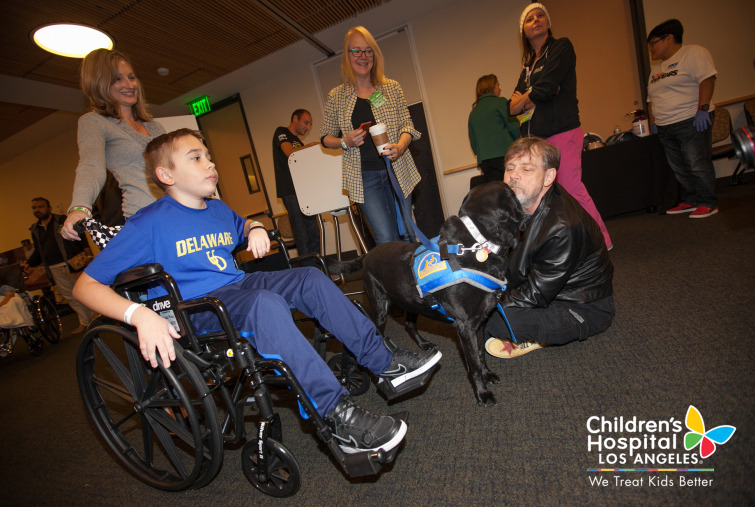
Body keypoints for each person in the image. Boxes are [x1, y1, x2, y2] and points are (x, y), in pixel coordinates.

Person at [72, 129, 442, 455]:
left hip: (238, 285)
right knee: (264, 304)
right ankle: (334, 414)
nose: (210, 163)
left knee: (309, 277)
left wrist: (254, 229)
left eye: (209, 156)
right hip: (199, 309)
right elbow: (85, 285)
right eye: (196, 157)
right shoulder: (147, 224)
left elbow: (243, 223)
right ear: (166, 175)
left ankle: (383, 363)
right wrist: (139, 316)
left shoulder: (216, 209)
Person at [484, 138, 614, 358]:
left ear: (549, 177)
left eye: (526, 169)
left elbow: (535, 295)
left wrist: (485, 302)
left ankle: (534, 338)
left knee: (492, 319)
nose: (514, 175)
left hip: (580, 306)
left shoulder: (563, 227)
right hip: (544, 287)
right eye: (510, 168)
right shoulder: (517, 201)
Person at [508, 3, 612, 249]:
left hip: (562, 131)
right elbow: (510, 108)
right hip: (537, 141)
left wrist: (528, 97)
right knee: (544, 197)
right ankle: (565, 246)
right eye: (530, 18)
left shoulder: (561, 47)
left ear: (548, 22)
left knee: (571, 189)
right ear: (523, 30)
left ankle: (601, 242)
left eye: (540, 15)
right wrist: (529, 98)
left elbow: (545, 90)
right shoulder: (528, 67)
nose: (536, 20)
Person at [320, 26, 420, 245]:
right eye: (356, 51)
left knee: (408, 234)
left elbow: (407, 125)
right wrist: (344, 142)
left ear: (375, 55)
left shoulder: (391, 88)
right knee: (386, 239)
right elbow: (325, 137)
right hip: (365, 178)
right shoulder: (336, 96)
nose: (363, 57)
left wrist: (401, 147)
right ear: (347, 56)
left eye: (368, 51)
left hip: (398, 170)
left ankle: (412, 278)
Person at [60, 48, 166, 241]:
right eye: (118, 79)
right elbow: (91, 166)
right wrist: (80, 207)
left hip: (180, 210)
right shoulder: (94, 122)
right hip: (146, 218)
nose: (129, 84)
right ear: (99, 83)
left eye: (132, 77)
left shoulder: (155, 127)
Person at [646, 19, 719, 219]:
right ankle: (692, 199)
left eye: (653, 43)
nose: (650, 48)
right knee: (679, 166)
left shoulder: (693, 53)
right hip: (665, 126)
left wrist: (703, 109)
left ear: (669, 39)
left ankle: (707, 202)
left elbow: (707, 79)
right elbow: (652, 98)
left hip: (690, 120)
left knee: (696, 163)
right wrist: (654, 122)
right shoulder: (657, 69)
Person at [23, 198, 94, 334]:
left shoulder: (61, 220)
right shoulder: (35, 230)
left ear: (49, 208)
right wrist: (28, 264)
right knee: (70, 296)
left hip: (73, 262)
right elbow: (38, 251)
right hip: (54, 267)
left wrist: (89, 255)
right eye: (34, 208)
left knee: (86, 290)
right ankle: (85, 322)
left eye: (40, 207)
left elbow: (80, 237)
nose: (37, 210)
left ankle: (99, 316)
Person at [272, 109, 321, 255]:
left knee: (314, 233)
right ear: (295, 118)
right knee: (302, 234)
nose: (308, 127)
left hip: (304, 192)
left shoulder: (299, 142)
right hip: (290, 191)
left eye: (310, 125)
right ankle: (308, 272)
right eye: (306, 122)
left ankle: (318, 269)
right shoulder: (281, 132)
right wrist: (312, 146)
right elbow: (289, 153)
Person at [468, 74, 521, 184]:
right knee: (513, 189)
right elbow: (514, 127)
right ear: (491, 86)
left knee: (497, 192)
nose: (500, 88)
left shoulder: (473, 113)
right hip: (505, 156)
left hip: (486, 161)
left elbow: (474, 143)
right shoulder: (501, 103)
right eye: (498, 85)